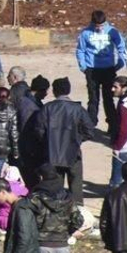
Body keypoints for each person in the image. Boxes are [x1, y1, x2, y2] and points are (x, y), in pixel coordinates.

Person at [77, 10, 127, 135]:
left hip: (108, 69)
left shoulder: (112, 31)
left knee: (109, 98)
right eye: (97, 26)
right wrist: (83, 66)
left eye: (102, 25)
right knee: (93, 99)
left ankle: (112, 125)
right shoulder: (85, 33)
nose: (99, 28)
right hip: (92, 69)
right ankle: (90, 126)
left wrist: (120, 64)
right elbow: (80, 50)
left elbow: (122, 48)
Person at [42, 77, 92, 205]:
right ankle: (77, 215)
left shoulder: (47, 108)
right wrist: (77, 139)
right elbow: (89, 131)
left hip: (53, 153)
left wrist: (48, 142)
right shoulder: (78, 109)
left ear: (54, 91)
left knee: (55, 189)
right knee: (76, 188)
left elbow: (39, 130)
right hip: (73, 153)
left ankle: (57, 214)